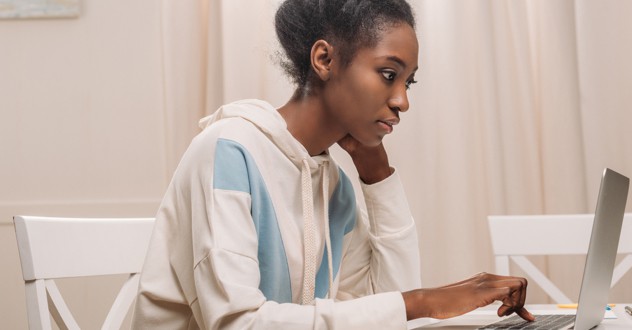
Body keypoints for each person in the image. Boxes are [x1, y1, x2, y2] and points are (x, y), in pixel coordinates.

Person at [132, 0, 535, 328]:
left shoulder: (333, 185)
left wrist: (378, 178)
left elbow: (387, 311)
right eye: (388, 74)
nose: (402, 101)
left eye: (407, 82)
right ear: (325, 59)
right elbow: (238, 324)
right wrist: (424, 301)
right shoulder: (227, 151)